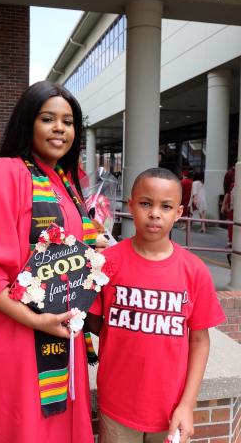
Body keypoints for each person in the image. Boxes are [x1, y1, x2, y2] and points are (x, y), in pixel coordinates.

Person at [0, 81, 99, 443]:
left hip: (59, 330)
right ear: (27, 122)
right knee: (18, 429)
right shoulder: (0, 175)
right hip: (15, 337)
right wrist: (37, 320)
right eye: (48, 118)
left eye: (69, 121)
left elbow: (71, 245)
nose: (60, 128)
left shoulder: (65, 183)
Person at [88, 167, 225, 443]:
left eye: (166, 206)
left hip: (170, 409)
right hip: (117, 405)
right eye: (146, 203)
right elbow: (92, 320)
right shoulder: (108, 262)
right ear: (130, 205)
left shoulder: (194, 271)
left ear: (179, 212)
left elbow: (199, 341)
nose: (154, 213)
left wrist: (187, 404)